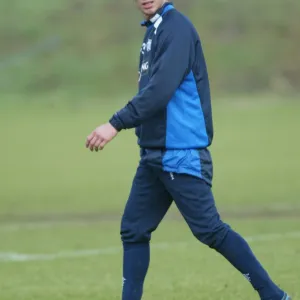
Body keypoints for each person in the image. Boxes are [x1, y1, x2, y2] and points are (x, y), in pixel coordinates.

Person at [85, 1, 291, 299]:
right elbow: (149, 91)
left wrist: (115, 124)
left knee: (210, 230)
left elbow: (160, 91)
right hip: (154, 155)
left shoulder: (177, 29)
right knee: (133, 230)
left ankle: (273, 295)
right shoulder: (153, 32)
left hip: (179, 154)